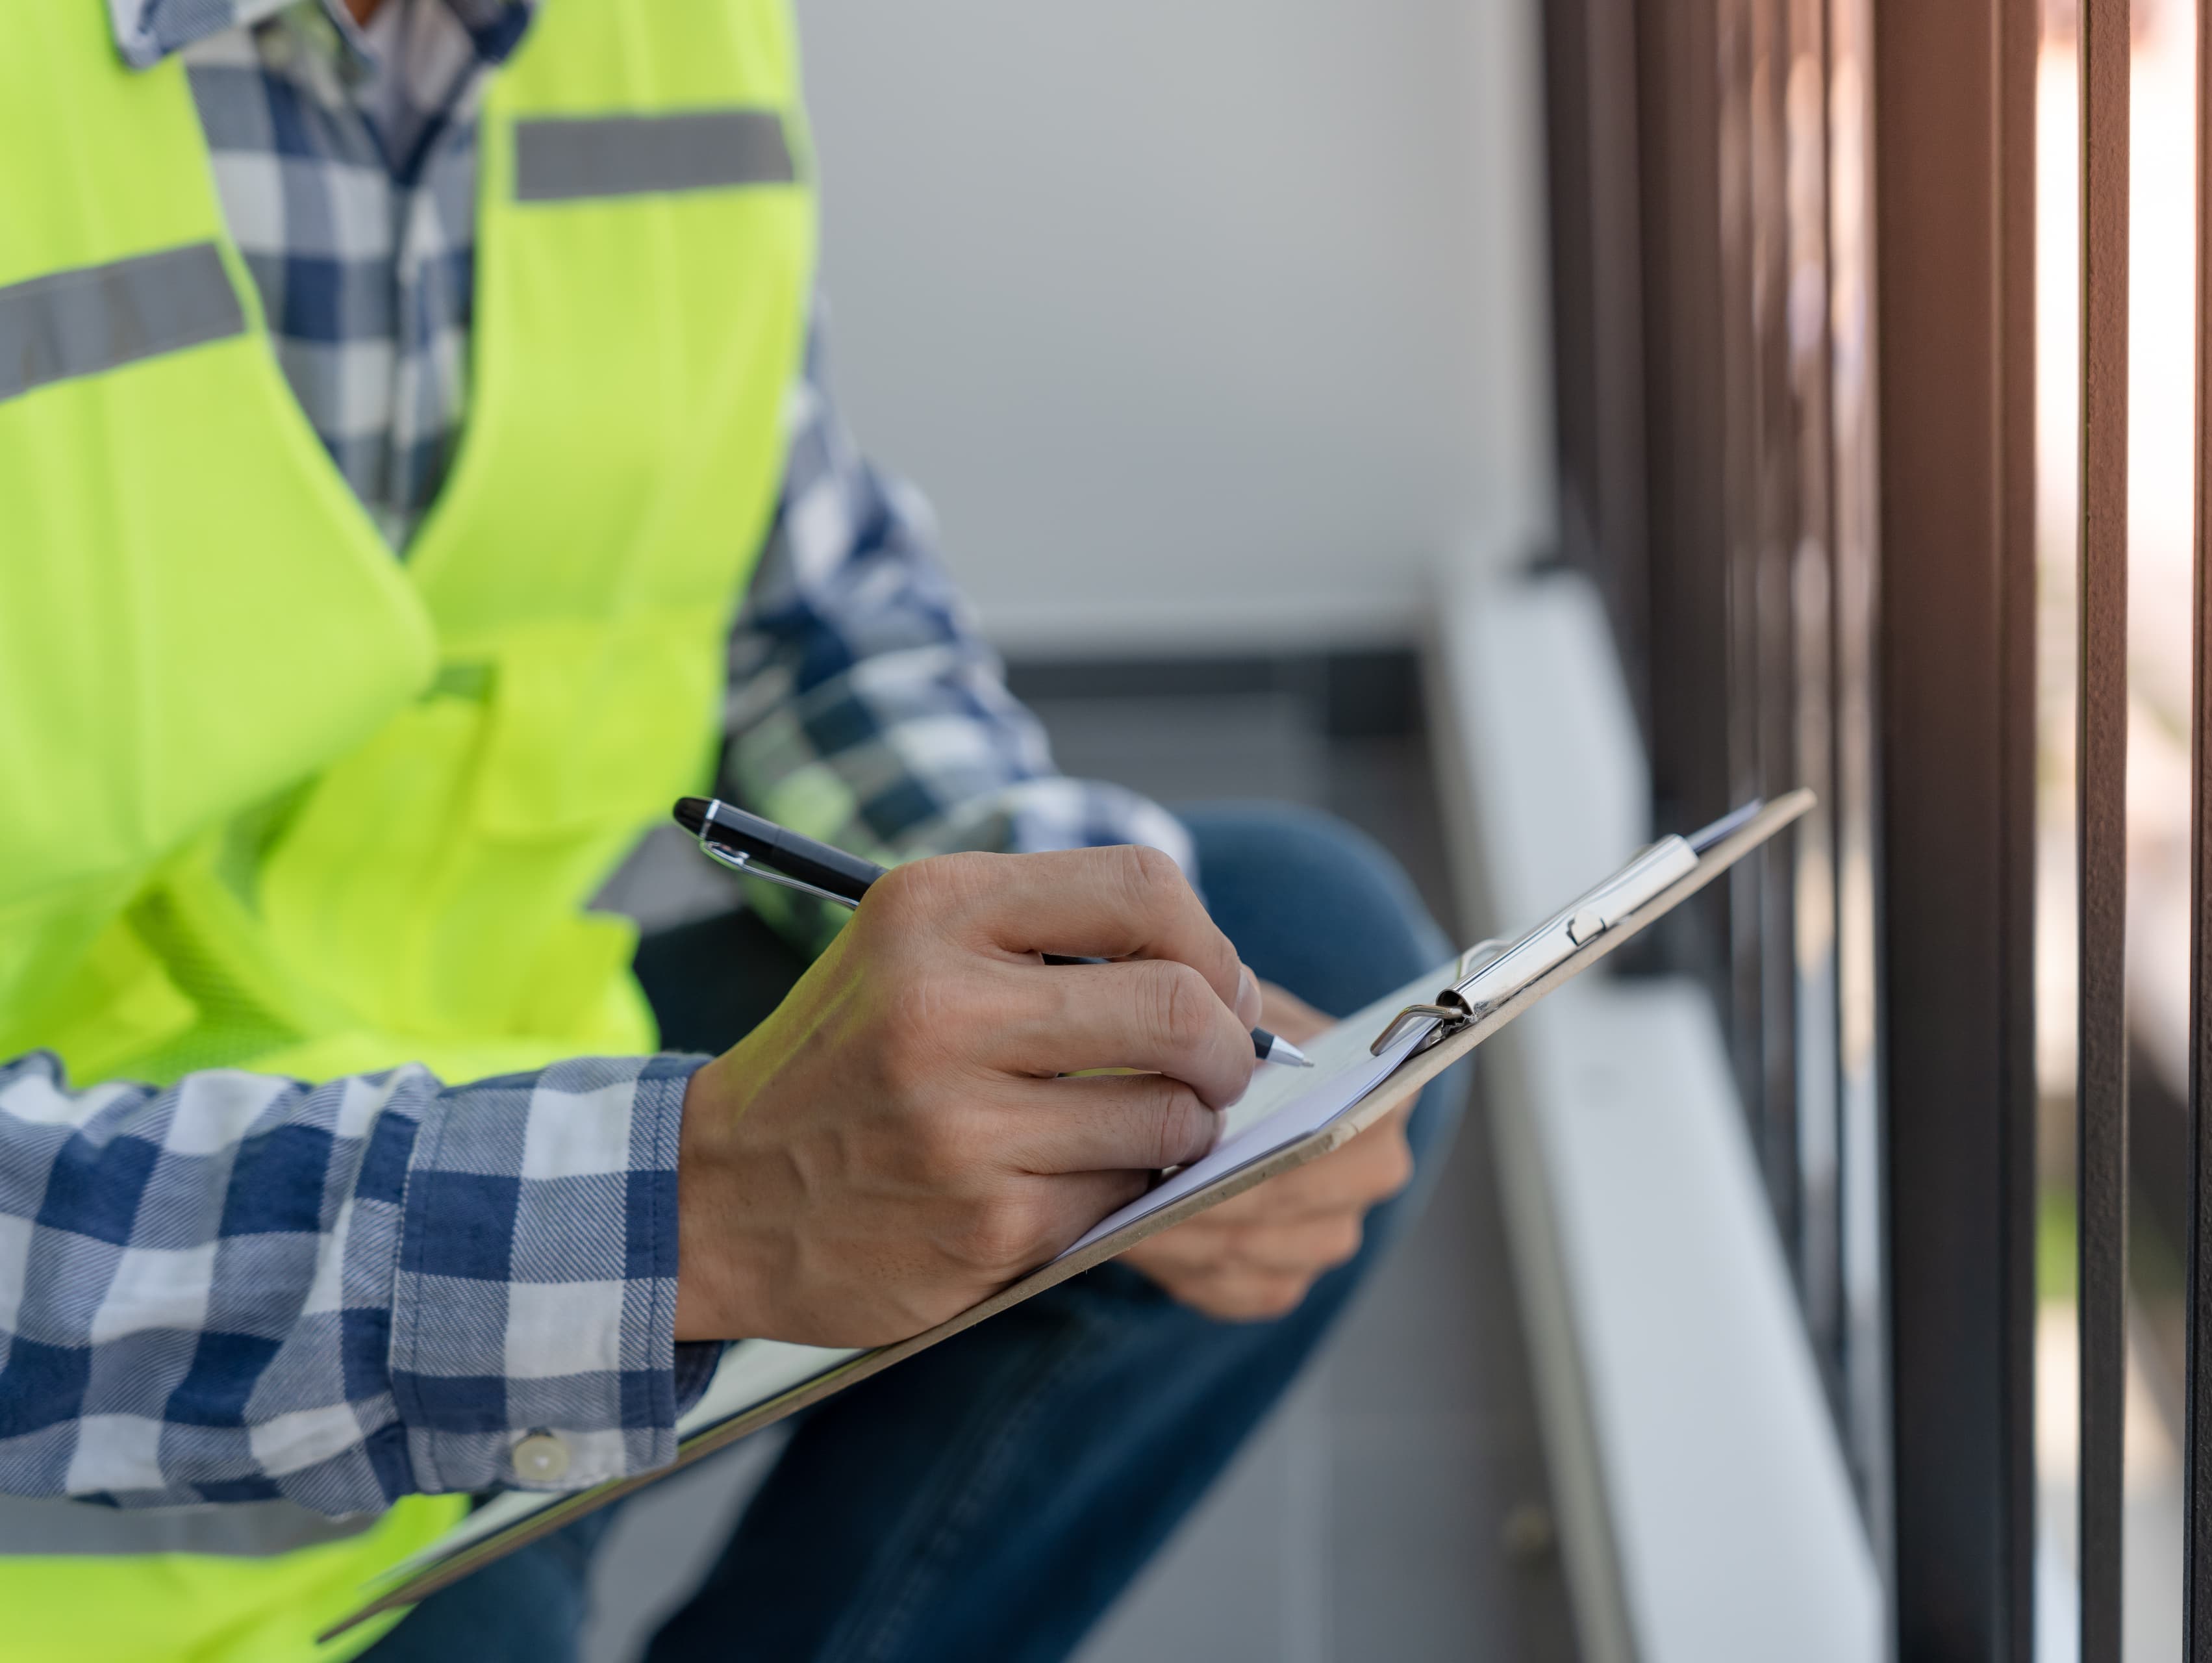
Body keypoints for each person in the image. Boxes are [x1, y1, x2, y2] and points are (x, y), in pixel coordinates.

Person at [0, 1, 1467, 1658]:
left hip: (520, 1106)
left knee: (1290, 949)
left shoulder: (657, 32)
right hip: (105, 1407)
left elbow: (799, 613)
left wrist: (1054, 948)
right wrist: (663, 1219)